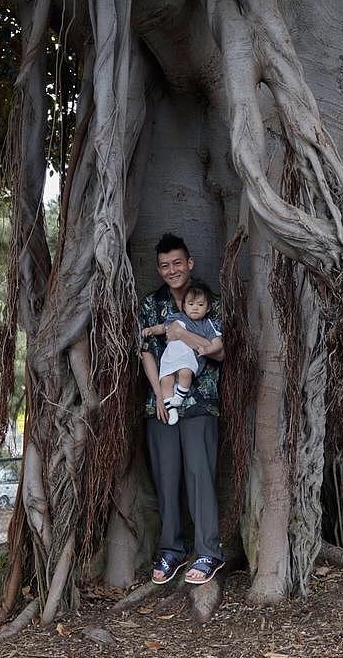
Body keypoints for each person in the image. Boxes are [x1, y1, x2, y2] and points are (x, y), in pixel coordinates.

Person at [140, 233, 226, 585]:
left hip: (200, 402)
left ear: (190, 262)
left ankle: (209, 551)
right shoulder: (151, 304)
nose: (171, 270)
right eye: (164, 265)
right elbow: (145, 351)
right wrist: (157, 396)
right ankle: (171, 549)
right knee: (167, 476)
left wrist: (181, 333)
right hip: (160, 403)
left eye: (177, 263)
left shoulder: (209, 302)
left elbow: (219, 351)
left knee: (199, 476)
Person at [142, 282, 222, 426]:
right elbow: (163, 327)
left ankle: (178, 397)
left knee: (185, 373)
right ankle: (171, 408)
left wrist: (206, 350)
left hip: (187, 359)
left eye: (200, 305)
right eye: (191, 304)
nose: (195, 308)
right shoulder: (177, 318)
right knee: (165, 381)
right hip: (171, 357)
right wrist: (152, 330)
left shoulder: (206, 325)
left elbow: (218, 345)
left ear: (208, 308)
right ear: (184, 306)